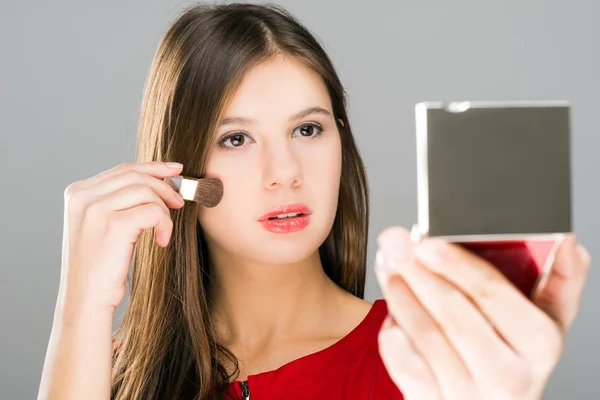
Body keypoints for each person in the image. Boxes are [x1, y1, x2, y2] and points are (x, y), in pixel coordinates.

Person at [37, 3, 591, 400]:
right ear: (177, 167)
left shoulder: (426, 361)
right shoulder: (105, 371)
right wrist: (80, 303)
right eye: (236, 139)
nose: (285, 174)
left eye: (307, 130)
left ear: (341, 143)